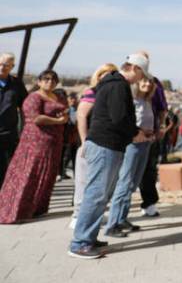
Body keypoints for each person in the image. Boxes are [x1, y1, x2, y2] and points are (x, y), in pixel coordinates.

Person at [69, 53, 145, 259]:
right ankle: (80, 242)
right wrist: (135, 132)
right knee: (96, 194)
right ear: (135, 68)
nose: (142, 79)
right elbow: (119, 117)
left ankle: (88, 237)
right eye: (142, 73)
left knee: (100, 194)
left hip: (108, 145)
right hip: (105, 145)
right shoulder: (118, 85)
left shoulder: (113, 83)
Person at [0, 69, 68, 223]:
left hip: (54, 141)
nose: (49, 82)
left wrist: (64, 116)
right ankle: (15, 211)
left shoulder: (58, 96)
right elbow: (36, 118)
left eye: (53, 79)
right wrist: (58, 121)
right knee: (30, 173)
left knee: (47, 175)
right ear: (39, 81)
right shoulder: (34, 97)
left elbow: (64, 111)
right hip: (35, 142)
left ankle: (36, 209)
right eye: (46, 79)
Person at [104, 73, 157, 237]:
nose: (147, 84)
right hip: (132, 145)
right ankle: (112, 224)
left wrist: (151, 134)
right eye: (144, 80)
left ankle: (122, 219)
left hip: (145, 144)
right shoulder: (131, 101)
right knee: (124, 183)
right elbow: (127, 123)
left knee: (133, 184)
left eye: (150, 81)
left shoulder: (147, 101)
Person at [70, 64, 118, 228]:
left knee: (100, 183)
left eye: (111, 73)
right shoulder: (92, 93)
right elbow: (81, 115)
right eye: (103, 73)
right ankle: (77, 215)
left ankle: (91, 216)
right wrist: (84, 141)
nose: (106, 76)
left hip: (105, 144)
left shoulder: (111, 94)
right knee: (83, 181)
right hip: (90, 143)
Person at [139, 70, 169, 218]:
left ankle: (149, 203)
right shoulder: (125, 83)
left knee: (149, 170)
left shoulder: (153, 82)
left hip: (150, 136)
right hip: (129, 136)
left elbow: (163, 108)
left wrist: (160, 127)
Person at [0, 52, 28, 189]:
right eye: (0, 63)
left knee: (6, 170)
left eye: (6, 65)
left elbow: (25, 107)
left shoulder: (16, 84)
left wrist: (24, 130)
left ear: (12, 66)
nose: (2, 67)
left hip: (8, 135)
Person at [61, 91, 80, 179]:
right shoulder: (65, 110)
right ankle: (62, 173)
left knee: (76, 157)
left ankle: (77, 174)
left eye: (74, 98)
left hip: (76, 138)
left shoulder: (80, 109)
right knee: (66, 156)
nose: (73, 100)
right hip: (67, 137)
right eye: (71, 98)